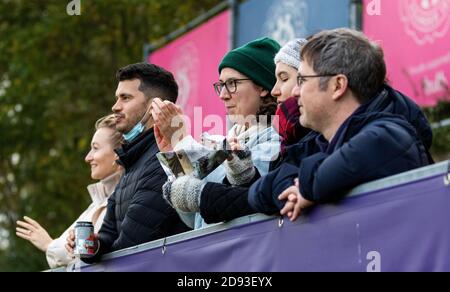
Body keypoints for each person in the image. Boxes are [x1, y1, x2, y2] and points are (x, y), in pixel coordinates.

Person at [248, 28, 433, 222]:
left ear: (337, 86)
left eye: (302, 80)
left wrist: (305, 187)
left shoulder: (390, 134)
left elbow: (364, 151)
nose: (295, 91)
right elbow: (258, 192)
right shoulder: (319, 142)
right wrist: (293, 194)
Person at [162, 39, 312, 227]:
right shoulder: (228, 138)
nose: (223, 94)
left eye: (232, 83)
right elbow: (195, 220)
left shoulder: (276, 138)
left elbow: (232, 203)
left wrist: (183, 144)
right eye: (221, 85)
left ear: (263, 87)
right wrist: (176, 156)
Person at [66, 63, 190, 263]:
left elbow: (130, 247)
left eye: (125, 98)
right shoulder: (132, 162)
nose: (115, 107)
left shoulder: (163, 160)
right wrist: (93, 245)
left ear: (153, 107)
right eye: (117, 98)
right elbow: (108, 234)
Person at [16, 114, 123, 269]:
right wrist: (52, 245)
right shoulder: (95, 205)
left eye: (95, 148)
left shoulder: (121, 200)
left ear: (118, 152)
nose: (88, 157)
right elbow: (68, 250)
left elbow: (78, 253)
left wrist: (48, 244)